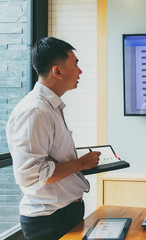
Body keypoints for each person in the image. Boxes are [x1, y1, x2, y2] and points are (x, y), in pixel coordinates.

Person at [6, 37, 101, 240]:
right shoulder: (35, 111)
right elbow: (30, 174)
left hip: (63, 213)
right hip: (50, 220)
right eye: (75, 64)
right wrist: (80, 163)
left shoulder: (49, 107)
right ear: (57, 71)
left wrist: (79, 162)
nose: (80, 71)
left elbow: (52, 156)